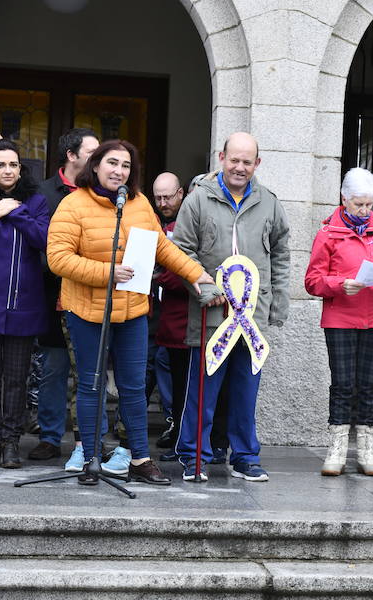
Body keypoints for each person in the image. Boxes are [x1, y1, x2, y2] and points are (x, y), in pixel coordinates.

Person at [46, 139, 212, 486]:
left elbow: (163, 247)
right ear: (95, 165)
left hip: (133, 310)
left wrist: (195, 274)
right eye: (112, 163)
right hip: (87, 311)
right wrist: (107, 272)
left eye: (125, 166)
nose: (119, 171)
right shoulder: (72, 205)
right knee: (91, 386)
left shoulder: (138, 204)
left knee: (134, 387)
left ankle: (139, 458)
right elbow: (58, 258)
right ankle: (91, 460)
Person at [172, 132, 291, 483]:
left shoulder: (268, 202)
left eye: (247, 161)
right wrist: (207, 290)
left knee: (245, 392)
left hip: (252, 320)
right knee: (203, 394)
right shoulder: (197, 201)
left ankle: (244, 457)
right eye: (234, 159)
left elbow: (282, 252)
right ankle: (195, 457)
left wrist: (278, 300)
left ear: (257, 163)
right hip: (212, 317)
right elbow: (181, 251)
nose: (240, 167)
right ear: (221, 157)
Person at [305, 168, 373, 476]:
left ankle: (367, 450)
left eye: (369, 205)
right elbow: (312, 281)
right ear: (344, 199)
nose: (365, 211)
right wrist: (339, 285)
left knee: (369, 385)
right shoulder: (327, 233)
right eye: (359, 204)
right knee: (344, 384)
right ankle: (337, 449)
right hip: (340, 316)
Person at [29, 128, 99, 469]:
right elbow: (37, 248)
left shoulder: (100, 192)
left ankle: (88, 441)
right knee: (54, 369)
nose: (101, 160)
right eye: (92, 153)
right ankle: (50, 437)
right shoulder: (43, 193)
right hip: (52, 295)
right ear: (72, 156)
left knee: (90, 371)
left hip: (92, 296)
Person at [0, 139, 50, 469]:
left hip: (24, 307)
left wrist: (16, 210)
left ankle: (11, 443)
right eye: (1, 164)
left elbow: (44, 239)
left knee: (16, 380)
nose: (8, 170)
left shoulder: (36, 202)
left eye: (13, 164)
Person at [149, 172, 187, 459]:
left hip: (181, 314)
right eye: (158, 197)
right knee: (154, 366)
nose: (163, 202)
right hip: (154, 313)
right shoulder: (151, 221)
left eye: (168, 196)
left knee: (174, 372)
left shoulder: (187, 222)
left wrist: (158, 275)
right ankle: (173, 426)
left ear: (181, 193)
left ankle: (178, 428)